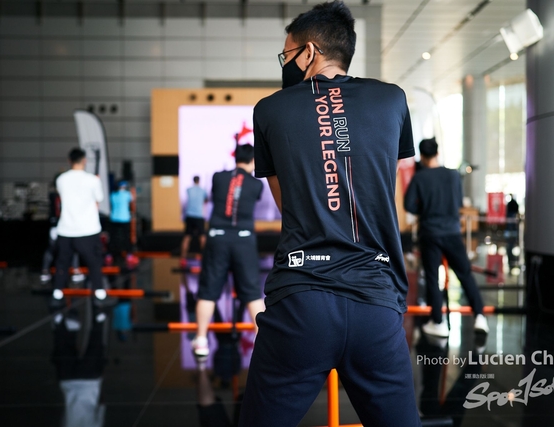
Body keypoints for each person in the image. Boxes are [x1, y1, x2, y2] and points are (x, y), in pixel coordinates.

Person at [240, 2, 422, 426]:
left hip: (300, 301)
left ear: (309, 52)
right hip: (376, 299)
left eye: (287, 54)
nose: (285, 63)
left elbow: (289, 205)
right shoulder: (392, 99)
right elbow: (381, 189)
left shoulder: (269, 109)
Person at [404, 137, 488, 337]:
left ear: (422, 156)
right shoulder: (452, 175)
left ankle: (438, 322)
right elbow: (458, 202)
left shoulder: (419, 178)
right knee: (465, 273)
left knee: (432, 278)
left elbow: (408, 205)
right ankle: (480, 317)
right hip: (452, 232)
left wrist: (424, 210)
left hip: (430, 233)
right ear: (437, 153)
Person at [191, 144, 264, 360]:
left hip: (217, 238)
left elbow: (222, 195)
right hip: (244, 240)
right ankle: (263, 343)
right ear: (253, 160)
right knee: (252, 293)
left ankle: (201, 340)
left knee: (208, 290)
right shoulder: (256, 184)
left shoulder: (218, 177)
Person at [52, 148, 106, 303]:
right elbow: (99, 198)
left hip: (66, 228)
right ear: (84, 161)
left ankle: (58, 291)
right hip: (88, 229)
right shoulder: (93, 180)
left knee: (62, 262)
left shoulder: (61, 179)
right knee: (94, 262)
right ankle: (99, 291)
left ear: (69, 161)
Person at [41, 174, 83, 284]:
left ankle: (46, 271)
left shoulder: (55, 195)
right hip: (63, 227)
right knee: (69, 248)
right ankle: (75, 271)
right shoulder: (60, 196)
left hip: (57, 227)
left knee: (53, 249)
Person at [180, 176, 208, 267]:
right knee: (202, 237)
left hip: (189, 216)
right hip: (199, 216)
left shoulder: (189, 190)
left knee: (187, 237)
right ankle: (205, 258)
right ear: (199, 181)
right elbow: (206, 200)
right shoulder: (203, 191)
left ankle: (183, 258)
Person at [108, 180, 133, 262]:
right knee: (126, 236)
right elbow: (132, 202)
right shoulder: (127, 194)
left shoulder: (113, 195)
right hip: (124, 219)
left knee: (113, 237)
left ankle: (110, 254)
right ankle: (129, 254)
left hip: (114, 218)